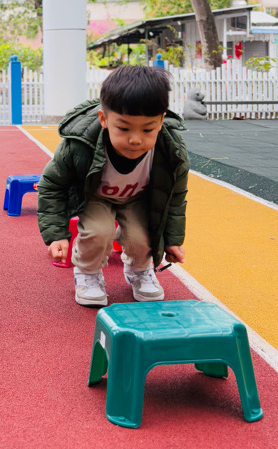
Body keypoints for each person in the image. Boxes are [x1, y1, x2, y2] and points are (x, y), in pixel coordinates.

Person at [36, 66, 188, 307]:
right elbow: (52, 185)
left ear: (161, 121)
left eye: (147, 129)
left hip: (138, 198)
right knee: (99, 232)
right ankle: (87, 272)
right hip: (96, 196)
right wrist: (56, 236)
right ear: (104, 119)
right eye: (124, 128)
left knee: (142, 237)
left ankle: (140, 269)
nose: (135, 139)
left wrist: (172, 240)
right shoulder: (79, 144)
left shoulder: (171, 151)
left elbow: (175, 198)